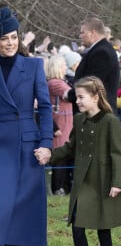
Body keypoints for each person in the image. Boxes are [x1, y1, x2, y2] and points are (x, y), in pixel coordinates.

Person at [49, 76, 121, 246]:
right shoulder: (79, 120)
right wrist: (50, 155)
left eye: (81, 97)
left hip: (103, 182)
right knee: (77, 229)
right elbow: (71, 147)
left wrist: (117, 182)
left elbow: (119, 153)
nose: (77, 100)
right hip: (82, 182)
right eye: (76, 96)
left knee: (103, 232)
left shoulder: (110, 121)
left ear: (96, 97)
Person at [0, 6, 53, 246]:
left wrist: (46, 144)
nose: (9, 42)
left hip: (28, 146)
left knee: (30, 211)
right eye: (3, 38)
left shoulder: (33, 66)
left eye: (13, 36)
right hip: (0, 147)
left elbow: (45, 108)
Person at [65, 17, 120, 115]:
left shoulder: (102, 52)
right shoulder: (100, 49)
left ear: (93, 33)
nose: (80, 36)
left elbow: (91, 85)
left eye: (82, 32)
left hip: (97, 116)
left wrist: (69, 95)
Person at [46, 54, 73, 195]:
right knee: (60, 159)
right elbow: (71, 94)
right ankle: (58, 189)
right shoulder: (55, 83)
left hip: (66, 127)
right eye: (63, 66)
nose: (65, 68)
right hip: (60, 128)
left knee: (65, 159)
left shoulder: (60, 82)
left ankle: (65, 188)